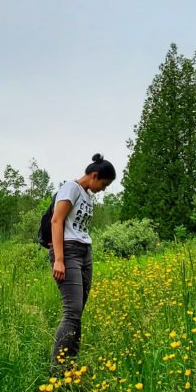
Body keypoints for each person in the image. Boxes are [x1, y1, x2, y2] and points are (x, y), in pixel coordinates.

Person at [49, 153, 116, 368]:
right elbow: (56, 220)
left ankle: (72, 364)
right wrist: (59, 260)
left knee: (78, 313)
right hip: (68, 252)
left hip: (84, 251)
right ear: (94, 175)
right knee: (72, 312)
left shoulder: (88, 196)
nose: (103, 189)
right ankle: (57, 369)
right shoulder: (71, 188)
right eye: (104, 184)